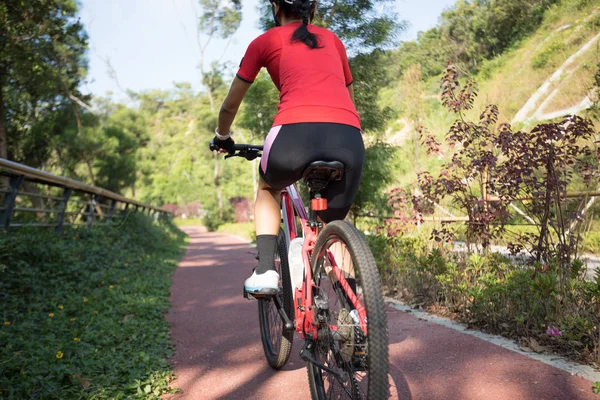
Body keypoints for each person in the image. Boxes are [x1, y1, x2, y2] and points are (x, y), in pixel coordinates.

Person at [212, 0, 364, 296]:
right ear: (313, 7)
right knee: (333, 224)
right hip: (348, 137)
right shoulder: (333, 41)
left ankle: (266, 270)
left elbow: (230, 104)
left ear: (275, 5)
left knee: (269, 187)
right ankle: (354, 314)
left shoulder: (265, 41)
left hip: (293, 133)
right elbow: (350, 98)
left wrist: (222, 136)